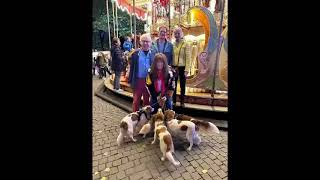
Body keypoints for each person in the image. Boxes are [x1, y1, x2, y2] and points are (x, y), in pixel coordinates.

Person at [128, 33, 156, 112]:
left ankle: (145, 117)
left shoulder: (153, 54)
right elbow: (132, 68)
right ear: (140, 42)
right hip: (138, 80)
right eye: (143, 41)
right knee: (136, 101)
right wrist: (130, 80)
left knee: (147, 101)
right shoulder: (135, 54)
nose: (145, 43)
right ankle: (134, 116)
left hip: (149, 81)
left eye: (147, 41)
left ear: (150, 43)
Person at [172, 27, 191, 107]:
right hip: (174, 67)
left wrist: (187, 70)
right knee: (173, 85)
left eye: (178, 33)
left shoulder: (186, 44)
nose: (177, 35)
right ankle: (174, 101)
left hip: (182, 67)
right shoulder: (172, 44)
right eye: (175, 33)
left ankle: (182, 101)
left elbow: (188, 57)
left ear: (181, 33)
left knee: (182, 85)